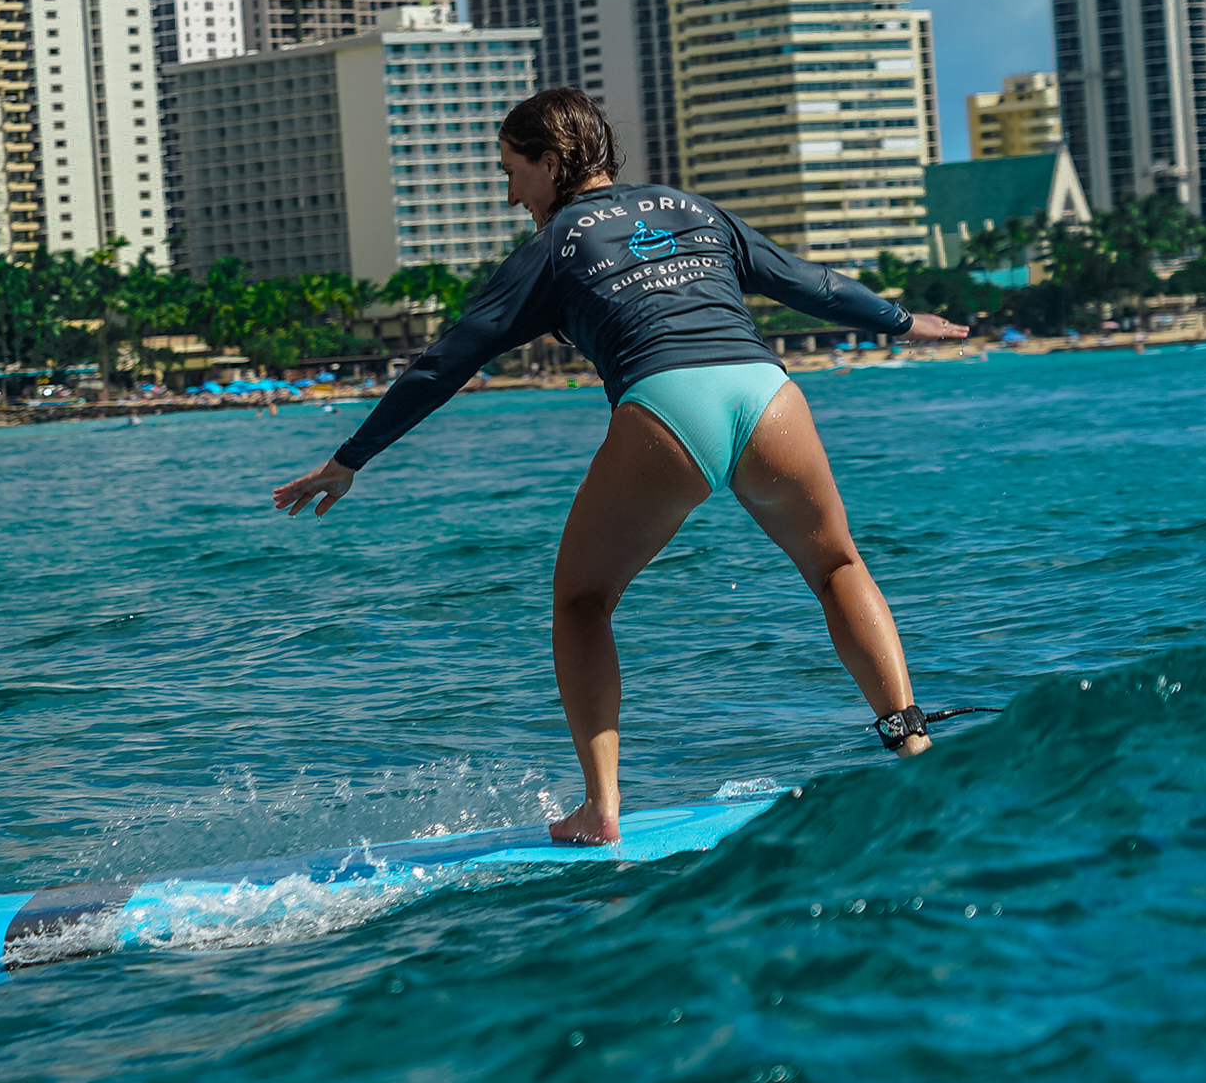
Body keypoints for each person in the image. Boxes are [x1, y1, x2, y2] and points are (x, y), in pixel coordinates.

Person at [272, 88, 970, 844]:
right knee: (836, 565)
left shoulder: (551, 247)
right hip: (767, 393)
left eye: (514, 172)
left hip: (668, 406)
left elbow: (445, 363)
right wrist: (904, 321)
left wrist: (349, 460)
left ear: (552, 160)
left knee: (582, 602)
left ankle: (601, 808)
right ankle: (912, 741)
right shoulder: (695, 209)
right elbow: (810, 284)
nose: (511, 194)